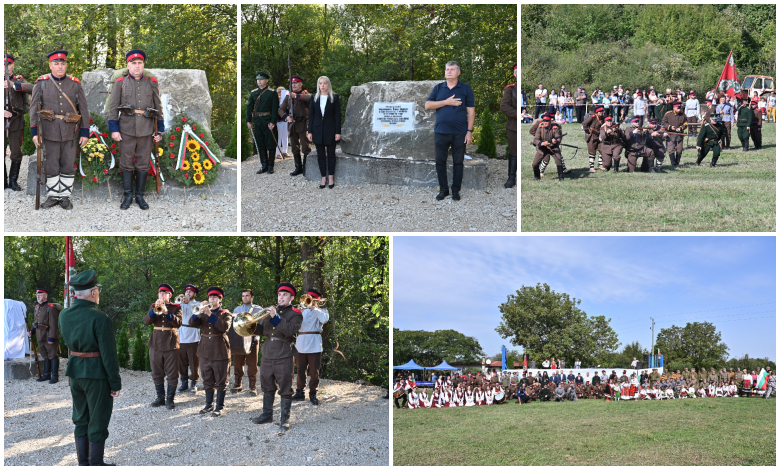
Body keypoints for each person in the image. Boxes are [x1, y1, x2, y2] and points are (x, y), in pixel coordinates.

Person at [58, 270, 121, 466]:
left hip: (75, 372)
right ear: (93, 292)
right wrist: (115, 383)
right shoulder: (100, 318)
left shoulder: (64, 314)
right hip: (96, 374)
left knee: (80, 418)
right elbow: (109, 355)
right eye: (98, 290)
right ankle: (95, 464)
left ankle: (83, 463)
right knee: (98, 419)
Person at [29, 50, 89, 210]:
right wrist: (34, 132)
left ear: (66, 65)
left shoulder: (75, 84)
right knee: (52, 164)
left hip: (71, 132)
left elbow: (83, 109)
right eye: (56, 64)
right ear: (50, 65)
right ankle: (53, 195)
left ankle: (65, 196)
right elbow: (33, 109)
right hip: (49, 131)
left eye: (62, 63)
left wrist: (84, 132)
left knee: (68, 164)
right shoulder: (41, 83)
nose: (60, 66)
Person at [108, 49, 164, 211]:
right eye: (133, 63)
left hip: (146, 129)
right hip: (125, 128)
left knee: (143, 163)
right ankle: (127, 195)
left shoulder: (151, 82)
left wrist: (158, 130)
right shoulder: (120, 82)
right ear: (128, 65)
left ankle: (139, 196)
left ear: (143, 64)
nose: (137, 66)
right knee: (126, 162)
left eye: (140, 63)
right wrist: (114, 129)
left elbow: (158, 106)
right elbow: (113, 108)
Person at [252, 282, 303, 432]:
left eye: (285, 295)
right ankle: (267, 414)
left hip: (284, 353)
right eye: (280, 294)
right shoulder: (269, 312)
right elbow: (262, 330)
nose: (281, 297)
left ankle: (284, 419)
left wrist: (275, 316)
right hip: (267, 352)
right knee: (267, 385)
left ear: (291, 298)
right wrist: (250, 325)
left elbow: (290, 330)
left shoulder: (296, 314)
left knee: (285, 387)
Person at [424, 61, 475, 201]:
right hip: (441, 131)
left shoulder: (465, 89)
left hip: (460, 132)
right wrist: (446, 102)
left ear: (458, 72)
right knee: (440, 161)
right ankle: (444, 190)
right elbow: (427, 105)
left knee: (458, 162)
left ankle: (456, 190)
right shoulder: (438, 88)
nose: (448, 72)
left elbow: (471, 113)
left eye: (452, 69)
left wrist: (469, 131)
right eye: (447, 69)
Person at [189, 286, 232, 417]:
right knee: (207, 379)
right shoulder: (202, 312)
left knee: (220, 380)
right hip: (205, 350)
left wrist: (209, 314)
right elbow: (192, 323)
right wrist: (197, 314)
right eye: (210, 297)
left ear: (220, 299)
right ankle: (208, 405)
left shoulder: (225, 313)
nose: (211, 299)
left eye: (214, 297)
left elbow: (224, 327)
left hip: (220, 350)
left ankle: (219, 406)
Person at [143, 283, 182, 410]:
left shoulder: (176, 307)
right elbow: (146, 321)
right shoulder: (154, 306)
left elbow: (178, 323)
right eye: (160, 293)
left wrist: (166, 312)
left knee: (172, 373)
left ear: (170, 295)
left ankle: (170, 399)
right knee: (157, 372)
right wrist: (154, 310)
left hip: (171, 343)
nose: (161, 295)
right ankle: (160, 398)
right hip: (156, 344)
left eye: (164, 293)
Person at [293, 289, 329, 405]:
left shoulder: (322, 310)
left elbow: (324, 319)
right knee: (300, 370)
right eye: (309, 299)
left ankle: (313, 393)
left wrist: (314, 308)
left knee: (314, 371)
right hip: (301, 341)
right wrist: (297, 311)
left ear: (317, 301)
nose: (310, 302)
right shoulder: (301, 310)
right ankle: (300, 392)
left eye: (312, 300)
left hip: (314, 343)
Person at [4, 54, 34, 191]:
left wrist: (13, 85)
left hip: (16, 122)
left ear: (13, 66)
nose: (6, 67)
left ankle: (13, 181)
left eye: (9, 64)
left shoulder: (19, 80)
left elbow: (33, 88)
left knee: (16, 152)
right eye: (4, 64)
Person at [307, 76, 341, 189]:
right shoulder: (314, 97)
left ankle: (330, 176)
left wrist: (338, 132)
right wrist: (309, 131)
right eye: (320, 83)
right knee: (320, 155)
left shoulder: (334, 98)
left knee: (331, 155)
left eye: (325, 83)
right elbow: (311, 115)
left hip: (330, 130)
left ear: (328, 85)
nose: (322, 85)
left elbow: (337, 116)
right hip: (317, 130)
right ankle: (323, 177)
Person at [247, 71, 279, 174]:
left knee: (271, 143)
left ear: (266, 80)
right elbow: (249, 108)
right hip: (257, 121)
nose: (259, 81)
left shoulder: (272, 93)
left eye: (261, 79)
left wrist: (273, 122)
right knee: (260, 143)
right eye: (258, 79)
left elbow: (275, 109)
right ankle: (263, 165)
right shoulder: (253, 93)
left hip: (268, 121)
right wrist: (248, 120)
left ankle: (270, 166)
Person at [229, 289, 260, 396]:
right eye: (243, 296)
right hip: (239, 340)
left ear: (252, 297)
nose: (245, 298)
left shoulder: (258, 309)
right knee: (237, 363)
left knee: (252, 364)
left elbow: (261, 325)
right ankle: (238, 384)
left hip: (253, 340)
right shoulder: (237, 309)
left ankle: (252, 387)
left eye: (247, 296)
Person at [27, 288, 62, 384]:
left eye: (40, 295)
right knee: (45, 356)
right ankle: (46, 375)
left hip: (48, 336)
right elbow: (35, 322)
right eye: (37, 295)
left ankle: (55, 376)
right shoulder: (37, 307)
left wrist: (52, 337)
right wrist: (31, 331)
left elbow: (53, 324)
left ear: (45, 296)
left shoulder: (50, 307)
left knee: (52, 356)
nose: (38, 297)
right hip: (40, 336)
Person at [279, 76, 312, 176]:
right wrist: (287, 117)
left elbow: (311, 98)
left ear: (300, 84)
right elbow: (280, 109)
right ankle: (298, 168)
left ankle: (307, 167)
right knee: (294, 147)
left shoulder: (305, 94)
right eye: (292, 83)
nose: (294, 85)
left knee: (305, 147)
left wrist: (296, 97)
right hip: (292, 124)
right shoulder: (288, 97)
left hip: (303, 124)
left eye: (296, 83)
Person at [177, 284, 201, 394]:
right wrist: (178, 302)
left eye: (190, 292)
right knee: (182, 362)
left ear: (194, 294)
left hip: (193, 335)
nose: (188, 293)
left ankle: (194, 383)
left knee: (193, 362)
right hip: (181, 335)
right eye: (186, 292)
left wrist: (189, 303)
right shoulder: (180, 303)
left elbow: (197, 312)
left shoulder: (197, 304)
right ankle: (184, 382)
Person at [531, 114, 564, 180]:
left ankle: (561, 177)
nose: (545, 122)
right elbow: (535, 140)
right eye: (544, 121)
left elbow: (559, 139)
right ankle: (537, 177)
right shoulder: (540, 127)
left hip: (553, 147)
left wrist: (556, 141)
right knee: (535, 164)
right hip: (542, 148)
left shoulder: (555, 127)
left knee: (559, 160)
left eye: (547, 121)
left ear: (550, 121)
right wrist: (543, 143)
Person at [500, 64, 517, 188]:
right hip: (513, 125)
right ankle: (511, 177)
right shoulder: (510, 89)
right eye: (516, 71)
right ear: (514, 74)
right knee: (514, 151)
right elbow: (504, 106)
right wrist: (517, 114)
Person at [661, 101, 686, 166]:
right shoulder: (668, 114)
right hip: (670, 135)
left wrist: (681, 128)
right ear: (674, 108)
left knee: (679, 150)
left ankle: (677, 163)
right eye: (678, 108)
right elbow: (663, 123)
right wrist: (670, 127)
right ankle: (673, 163)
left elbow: (686, 123)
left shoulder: (683, 115)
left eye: (680, 108)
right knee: (671, 150)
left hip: (679, 135)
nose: (679, 109)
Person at [583, 106, 606, 172]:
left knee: (602, 150)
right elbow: (584, 123)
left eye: (602, 111)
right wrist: (587, 131)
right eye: (600, 112)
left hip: (599, 136)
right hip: (592, 136)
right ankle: (591, 167)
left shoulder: (603, 118)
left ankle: (600, 164)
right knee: (592, 152)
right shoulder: (592, 117)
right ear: (597, 112)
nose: (601, 113)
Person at [275, 87, 290, 159]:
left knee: (285, 137)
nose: (280, 93)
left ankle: (285, 151)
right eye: (279, 92)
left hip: (285, 120)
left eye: (282, 92)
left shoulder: (287, 99)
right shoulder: (275, 100)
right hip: (278, 121)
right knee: (279, 137)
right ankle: (278, 153)